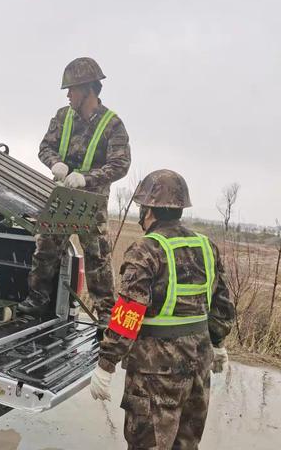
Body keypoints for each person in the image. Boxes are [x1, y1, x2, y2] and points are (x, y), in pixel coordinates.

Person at [90, 169, 234, 450]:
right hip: (198, 366)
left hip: (155, 374)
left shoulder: (145, 250)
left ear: (149, 210)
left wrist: (106, 365)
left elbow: (127, 315)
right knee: (186, 443)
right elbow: (223, 305)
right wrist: (217, 343)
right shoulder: (206, 246)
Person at [18, 57, 131, 325]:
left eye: (72, 89)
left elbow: (120, 164)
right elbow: (45, 147)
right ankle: (37, 302)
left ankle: (105, 315)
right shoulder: (62, 116)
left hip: (92, 204)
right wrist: (54, 162)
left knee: (98, 259)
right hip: (62, 200)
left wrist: (87, 178)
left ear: (88, 89)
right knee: (45, 249)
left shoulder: (112, 124)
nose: (68, 95)